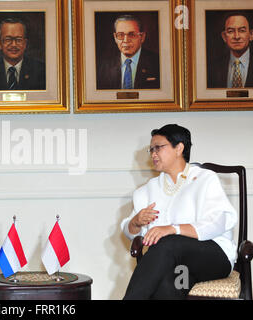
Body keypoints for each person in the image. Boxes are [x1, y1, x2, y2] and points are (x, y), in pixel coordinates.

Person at [120, 124, 238, 299]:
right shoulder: (146, 191)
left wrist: (173, 229)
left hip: (213, 256)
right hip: (177, 267)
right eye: (151, 149)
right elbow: (129, 232)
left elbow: (219, 221)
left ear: (179, 148)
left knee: (169, 242)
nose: (153, 154)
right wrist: (135, 222)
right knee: (168, 284)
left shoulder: (205, 179)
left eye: (158, 147)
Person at [96, 14, 160, 90]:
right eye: (120, 35)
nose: (126, 40)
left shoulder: (158, 62)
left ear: (142, 37)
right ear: (115, 38)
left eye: (132, 35)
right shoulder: (102, 66)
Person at [0, 17, 46, 90]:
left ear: (25, 43)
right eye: (8, 39)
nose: (14, 45)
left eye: (19, 40)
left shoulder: (42, 71)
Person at [208, 12, 253, 88]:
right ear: (224, 37)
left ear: (251, 35)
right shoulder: (212, 68)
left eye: (242, 30)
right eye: (231, 31)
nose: (237, 36)